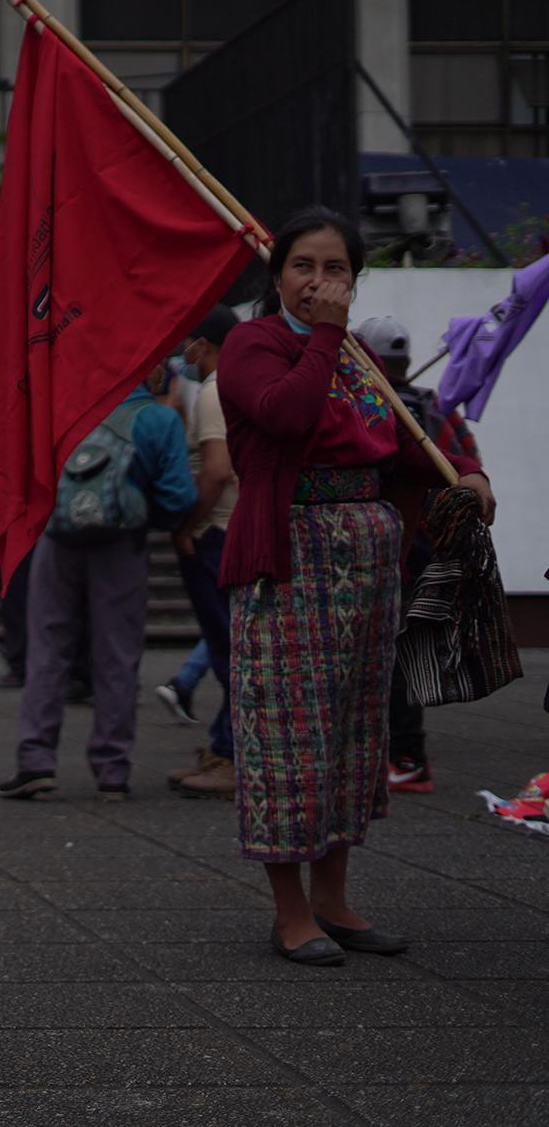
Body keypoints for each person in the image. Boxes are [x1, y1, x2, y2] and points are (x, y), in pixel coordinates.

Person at [218, 207, 489, 965]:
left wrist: (466, 471)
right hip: (290, 559)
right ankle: (290, 910)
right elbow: (286, 414)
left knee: (352, 729)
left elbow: (410, 443)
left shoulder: (362, 360)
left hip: (368, 560)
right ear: (276, 279)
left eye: (336, 269)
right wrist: (331, 338)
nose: (320, 283)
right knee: (290, 733)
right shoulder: (253, 345)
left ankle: (335, 898)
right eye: (304, 266)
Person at [0, 360, 196, 803]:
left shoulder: (67, 409)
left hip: (58, 536)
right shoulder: (158, 419)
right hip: (120, 545)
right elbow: (179, 494)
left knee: (48, 646)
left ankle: (35, 761)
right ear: (151, 369)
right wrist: (148, 517)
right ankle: (111, 769)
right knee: (117, 654)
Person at [352, 315, 480, 798]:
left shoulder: (371, 406)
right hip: (431, 544)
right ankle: (397, 753)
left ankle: (405, 756)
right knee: (407, 646)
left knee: (382, 651)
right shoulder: (435, 408)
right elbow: (469, 467)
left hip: (382, 539)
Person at [160, 307, 242, 800]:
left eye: (188, 344)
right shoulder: (231, 387)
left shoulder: (214, 391)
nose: (183, 355)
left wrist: (188, 527)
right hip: (226, 530)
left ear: (202, 345)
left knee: (228, 650)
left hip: (215, 532)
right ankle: (223, 743)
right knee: (228, 648)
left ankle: (233, 754)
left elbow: (215, 471)